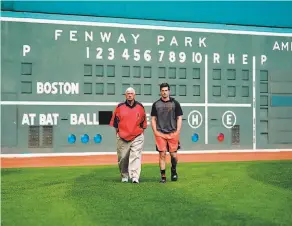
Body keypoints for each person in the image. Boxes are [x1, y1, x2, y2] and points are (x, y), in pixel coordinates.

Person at [109, 87, 147, 184]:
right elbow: (115, 124)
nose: (130, 95)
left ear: (134, 95)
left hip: (137, 136)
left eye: (131, 93)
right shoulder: (119, 107)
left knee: (136, 156)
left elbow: (143, 124)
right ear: (125, 95)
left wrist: (141, 136)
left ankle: (135, 176)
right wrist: (118, 135)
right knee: (122, 158)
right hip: (122, 137)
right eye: (128, 93)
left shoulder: (140, 107)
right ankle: (124, 176)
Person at [151, 83, 183, 183]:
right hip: (160, 133)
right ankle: (163, 177)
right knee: (162, 154)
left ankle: (173, 170)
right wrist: (155, 131)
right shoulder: (156, 104)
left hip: (173, 133)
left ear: (169, 91)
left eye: (166, 90)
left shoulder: (175, 103)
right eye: (162, 91)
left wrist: (177, 131)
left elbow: (179, 117)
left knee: (173, 155)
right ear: (160, 92)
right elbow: (153, 119)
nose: (164, 92)